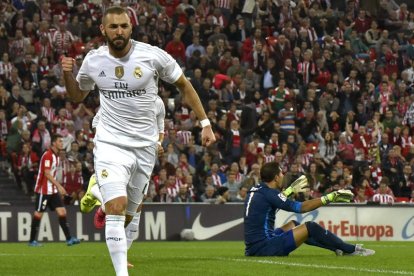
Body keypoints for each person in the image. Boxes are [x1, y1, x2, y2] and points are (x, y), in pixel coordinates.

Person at [62, 6, 215, 276]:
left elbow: (184, 86)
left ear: (131, 27)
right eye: (113, 27)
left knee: (130, 214)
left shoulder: (153, 56)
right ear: (103, 30)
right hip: (110, 142)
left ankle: (98, 192)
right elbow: (77, 97)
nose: (119, 31)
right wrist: (67, 74)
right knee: (117, 209)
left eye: (123, 25)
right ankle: (122, 273)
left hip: (144, 148)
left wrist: (205, 123)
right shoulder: (94, 60)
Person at [80, 95, 166, 268]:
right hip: (116, 154)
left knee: (137, 205)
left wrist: (158, 144)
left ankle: (99, 197)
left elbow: (160, 130)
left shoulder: (157, 103)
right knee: (120, 202)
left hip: (142, 155)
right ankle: (102, 198)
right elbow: (96, 123)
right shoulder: (118, 94)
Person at [244, 161, 375, 257]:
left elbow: (272, 204)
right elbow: (300, 207)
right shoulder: (270, 194)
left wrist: (289, 191)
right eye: (281, 173)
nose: (283, 175)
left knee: (294, 225)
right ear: (276, 177)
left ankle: (337, 248)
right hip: (265, 247)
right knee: (310, 227)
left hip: (253, 246)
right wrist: (330, 197)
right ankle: (350, 249)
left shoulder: (256, 190)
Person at [28, 134, 80, 247]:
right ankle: (32, 241)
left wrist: (57, 187)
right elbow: (47, 174)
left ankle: (69, 239)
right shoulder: (48, 155)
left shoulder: (56, 156)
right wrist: (60, 186)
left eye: (62, 141)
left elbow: (51, 174)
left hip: (52, 190)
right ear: (53, 143)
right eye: (59, 141)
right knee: (38, 214)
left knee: (62, 212)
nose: (62, 143)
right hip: (44, 190)